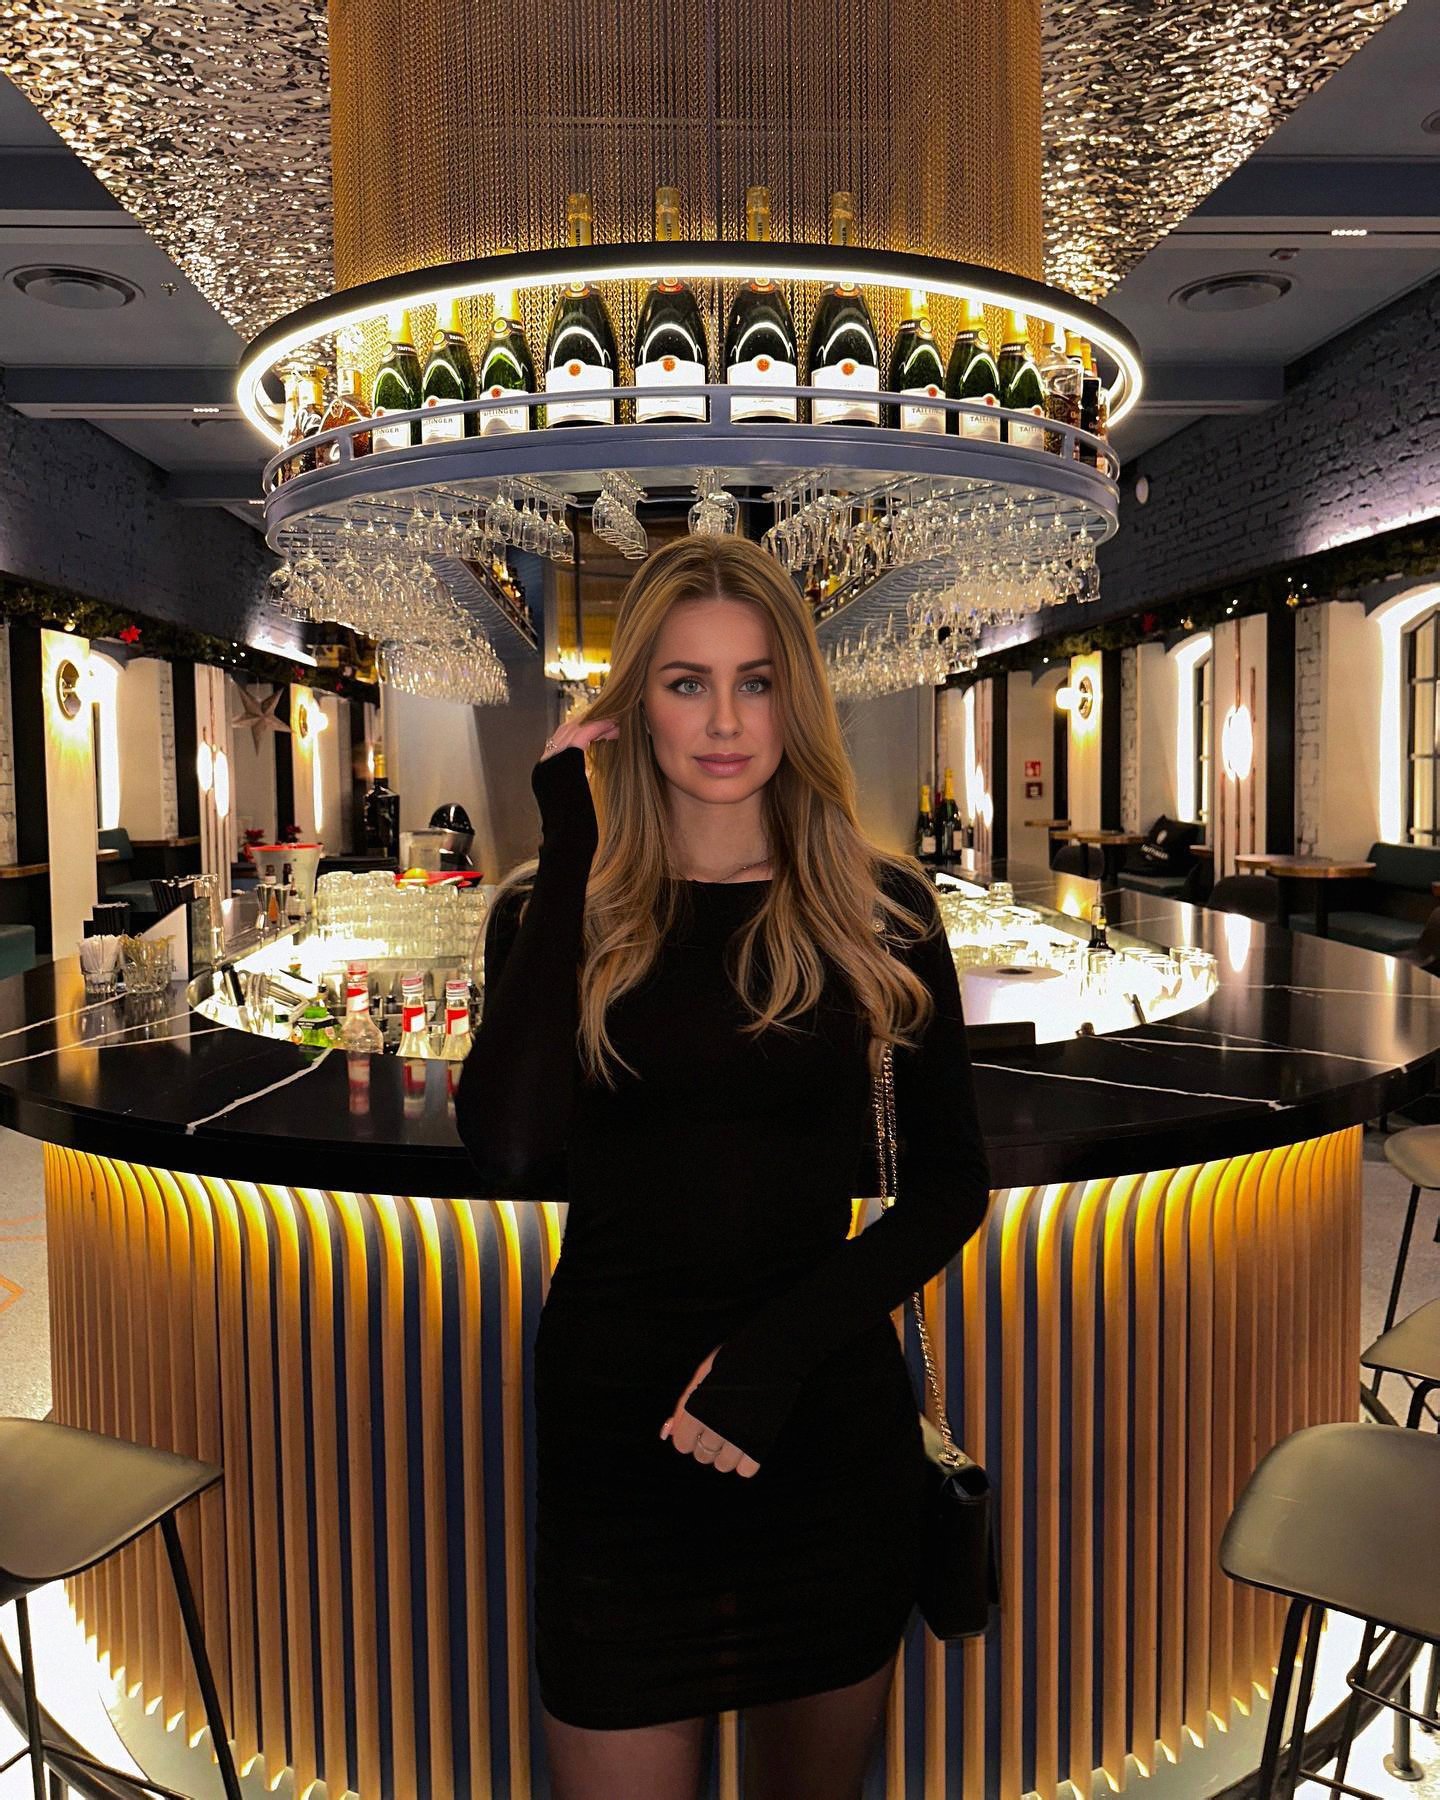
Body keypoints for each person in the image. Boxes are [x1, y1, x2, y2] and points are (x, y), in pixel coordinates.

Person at [454, 535, 992, 1800]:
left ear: (796, 698)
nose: (725, 721)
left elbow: (949, 1185)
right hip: (618, 1441)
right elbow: (512, 1142)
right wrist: (572, 849)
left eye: (757, 681)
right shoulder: (552, 908)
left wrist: (770, 1360)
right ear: (632, 701)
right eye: (685, 682)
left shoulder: (881, 909)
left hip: (817, 1423)